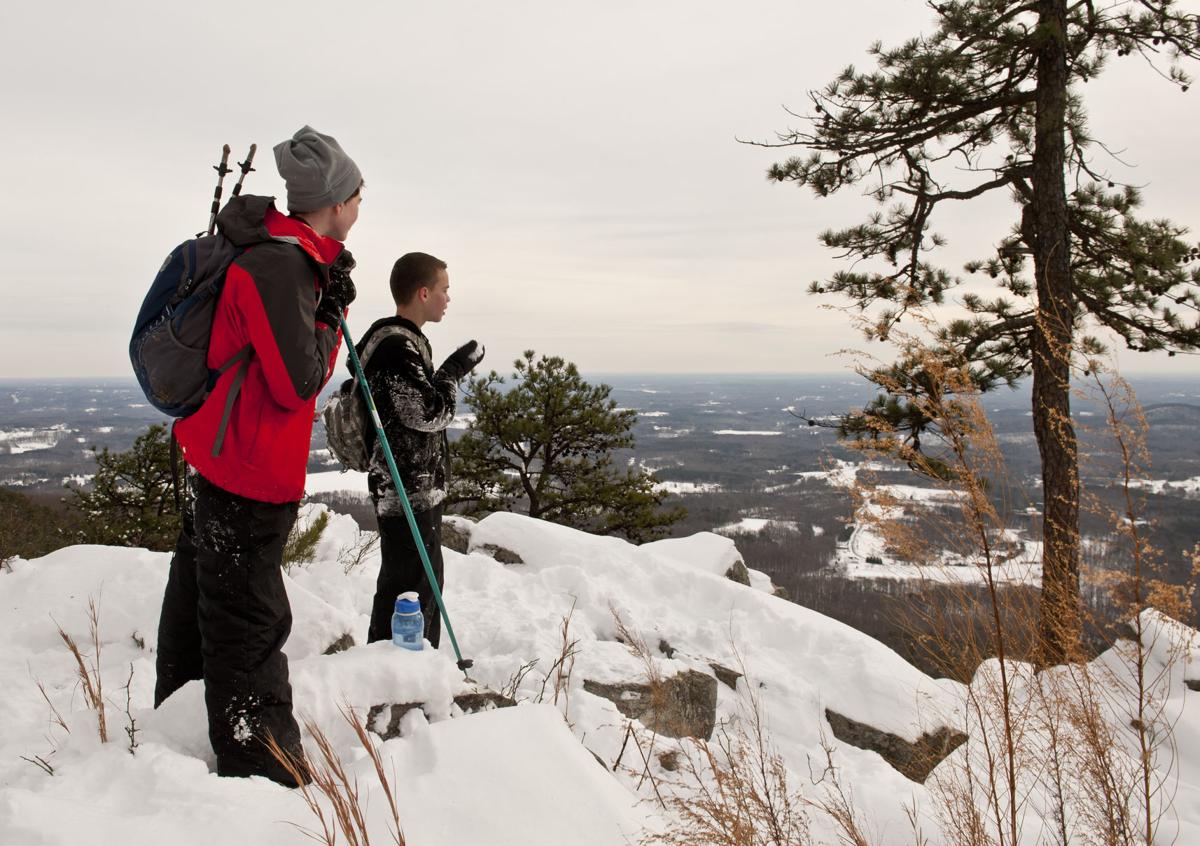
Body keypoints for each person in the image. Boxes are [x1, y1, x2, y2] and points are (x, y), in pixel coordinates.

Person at [153, 126, 363, 786]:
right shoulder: (280, 265)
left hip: (226, 456)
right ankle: (261, 766)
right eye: (357, 196)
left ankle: (176, 729)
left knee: (206, 594)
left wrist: (324, 292)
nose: (361, 207)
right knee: (250, 619)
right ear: (333, 202)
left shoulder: (282, 252)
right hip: (247, 470)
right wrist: (329, 315)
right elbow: (297, 380)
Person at [357, 252, 484, 647]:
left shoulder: (397, 341)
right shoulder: (396, 346)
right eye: (444, 290)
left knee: (412, 586)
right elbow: (428, 413)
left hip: (409, 486)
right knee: (412, 591)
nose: (448, 298)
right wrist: (451, 373)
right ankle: (402, 678)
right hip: (407, 489)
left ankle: (402, 672)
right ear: (424, 292)